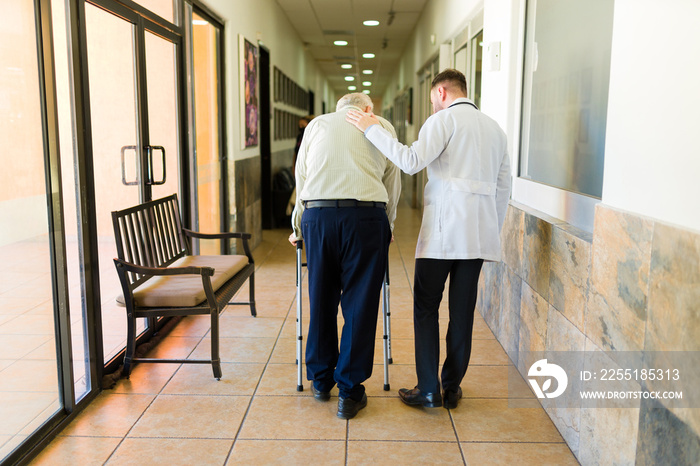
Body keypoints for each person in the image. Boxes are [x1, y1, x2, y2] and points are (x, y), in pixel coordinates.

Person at [346, 69, 511, 410]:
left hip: (443, 233)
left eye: (432, 98)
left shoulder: (443, 121)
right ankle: (451, 388)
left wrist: (370, 129)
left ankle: (428, 389)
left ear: (440, 91)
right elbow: (504, 186)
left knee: (426, 307)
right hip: (478, 235)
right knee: (462, 312)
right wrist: (491, 228)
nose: (433, 104)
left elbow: (409, 162)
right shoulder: (495, 130)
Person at [289, 93, 401, 419]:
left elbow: (302, 177)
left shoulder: (317, 125)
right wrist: (389, 224)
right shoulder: (381, 126)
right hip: (367, 219)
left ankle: (321, 380)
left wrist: (298, 226)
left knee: (321, 296)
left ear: (338, 110)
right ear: (367, 109)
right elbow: (392, 183)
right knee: (360, 304)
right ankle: (349, 393)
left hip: (319, 217)